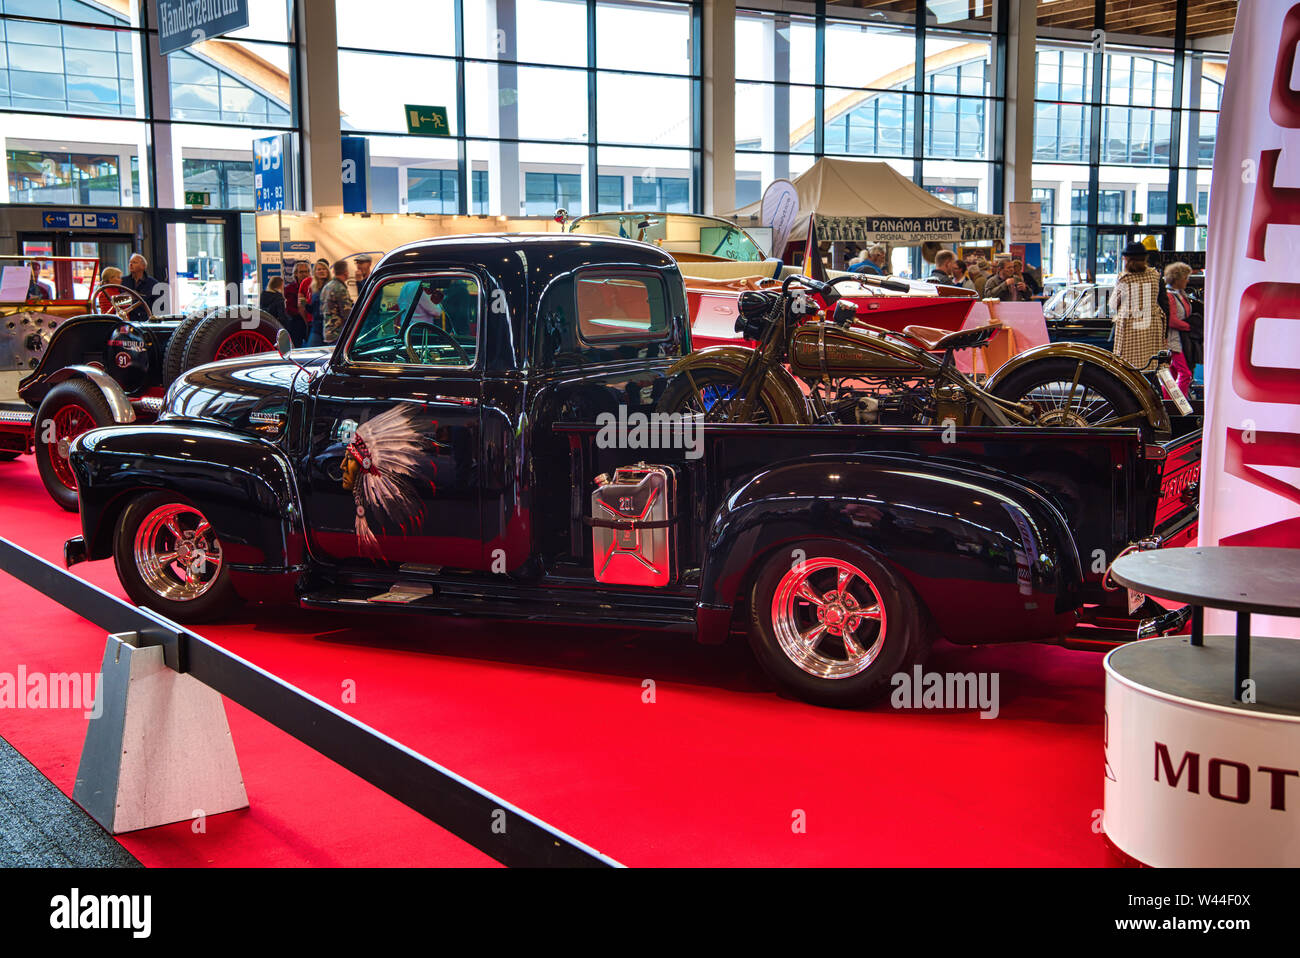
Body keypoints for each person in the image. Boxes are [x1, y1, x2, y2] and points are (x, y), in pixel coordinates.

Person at [1109, 242, 1168, 371]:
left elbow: (1113, 304)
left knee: (1128, 369)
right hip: (1153, 325)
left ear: (1126, 259)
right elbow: (1164, 303)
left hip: (1130, 327)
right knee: (1152, 366)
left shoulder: (1124, 278)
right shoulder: (1155, 275)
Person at [1163, 261, 1195, 394]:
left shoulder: (1179, 294)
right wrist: (1190, 326)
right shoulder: (1171, 295)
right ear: (1178, 278)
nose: (1187, 281)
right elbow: (1172, 320)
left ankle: (1168, 403)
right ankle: (1179, 406)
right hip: (1173, 341)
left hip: (1178, 340)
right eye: (1185, 278)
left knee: (1172, 374)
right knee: (1185, 374)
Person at [319, 259, 353, 345]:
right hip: (338, 333)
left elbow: (321, 310)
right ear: (345, 272)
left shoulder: (327, 287)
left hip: (328, 332)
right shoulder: (340, 289)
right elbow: (347, 314)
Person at [303, 259, 330, 347]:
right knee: (311, 351)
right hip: (317, 327)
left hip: (330, 328)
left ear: (327, 271)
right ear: (315, 273)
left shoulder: (331, 286)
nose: (321, 271)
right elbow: (314, 310)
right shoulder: (314, 288)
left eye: (323, 269)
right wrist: (306, 305)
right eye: (319, 269)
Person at [283, 261, 310, 347]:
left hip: (310, 322)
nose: (304, 274)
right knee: (296, 347)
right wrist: (303, 314)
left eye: (306, 271)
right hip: (297, 322)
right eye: (301, 272)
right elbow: (289, 309)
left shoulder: (313, 287)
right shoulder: (290, 288)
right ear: (296, 274)